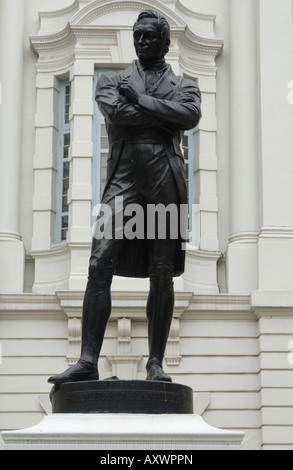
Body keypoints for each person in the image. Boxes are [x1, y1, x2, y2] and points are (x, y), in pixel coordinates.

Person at [48, 9, 201, 385]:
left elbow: (190, 116)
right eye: (137, 35)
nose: (140, 41)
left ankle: (155, 362)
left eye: (148, 36)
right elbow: (118, 115)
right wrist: (163, 116)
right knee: (99, 263)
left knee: (162, 273)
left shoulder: (185, 85)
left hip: (165, 181)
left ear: (165, 42)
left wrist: (143, 102)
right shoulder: (113, 80)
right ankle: (87, 359)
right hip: (123, 180)